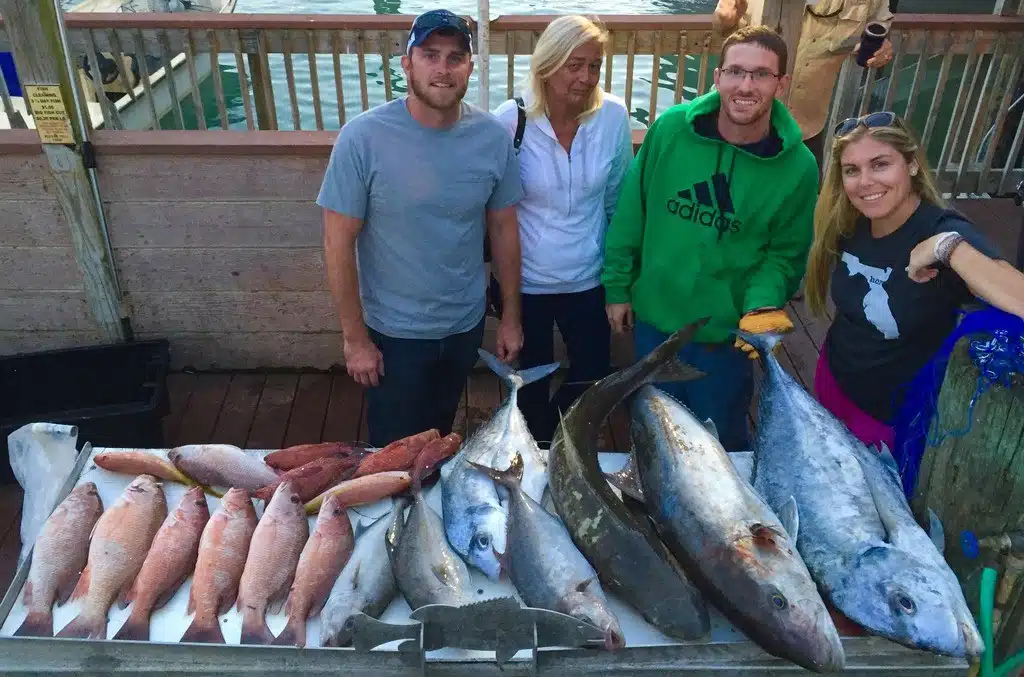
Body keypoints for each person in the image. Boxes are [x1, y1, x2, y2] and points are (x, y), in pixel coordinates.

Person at [601, 25, 819, 453]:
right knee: (652, 431)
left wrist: (761, 305)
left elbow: (784, 255)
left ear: (781, 84)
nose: (745, 86)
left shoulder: (799, 167)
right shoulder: (670, 129)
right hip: (654, 322)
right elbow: (631, 212)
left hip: (726, 335)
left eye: (761, 74)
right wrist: (617, 286)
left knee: (721, 443)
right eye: (735, 71)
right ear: (717, 77)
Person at [317, 9, 525, 448]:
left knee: (439, 436)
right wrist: (355, 340)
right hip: (394, 336)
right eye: (430, 55)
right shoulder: (361, 138)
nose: (443, 69)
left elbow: (504, 229)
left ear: (470, 67)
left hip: (465, 326)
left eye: (455, 57)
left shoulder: (493, 138)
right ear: (406, 64)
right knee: (393, 452)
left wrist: (510, 317)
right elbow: (337, 244)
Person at [804, 111, 1024, 451]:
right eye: (852, 170)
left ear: (912, 165)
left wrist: (946, 247)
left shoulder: (943, 230)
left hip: (891, 417)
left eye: (880, 164)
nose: (865, 182)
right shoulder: (850, 220)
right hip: (834, 378)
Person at [491, 15, 634, 443]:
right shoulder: (509, 122)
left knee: (591, 378)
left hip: (588, 277)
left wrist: (619, 284)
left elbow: (618, 203)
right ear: (547, 66)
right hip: (527, 282)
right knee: (531, 385)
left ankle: (555, 440)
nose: (586, 77)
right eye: (574, 65)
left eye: (594, 66)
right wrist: (507, 310)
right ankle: (542, 449)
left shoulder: (613, 117)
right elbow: (494, 213)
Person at [713, 0, 896, 170]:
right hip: (736, 122)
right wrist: (724, 21)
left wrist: (880, 50)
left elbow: (878, 29)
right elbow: (722, 26)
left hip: (806, 128)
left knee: (804, 191)